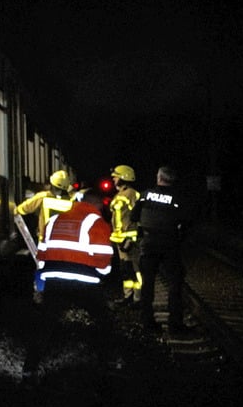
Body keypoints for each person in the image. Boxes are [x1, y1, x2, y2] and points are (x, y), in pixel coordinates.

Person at [22, 189, 116, 384]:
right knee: (104, 320)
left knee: (46, 324)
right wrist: (103, 275)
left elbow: (42, 253)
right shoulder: (96, 222)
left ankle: (29, 369)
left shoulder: (55, 220)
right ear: (97, 205)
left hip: (55, 280)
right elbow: (103, 258)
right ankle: (108, 362)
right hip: (85, 282)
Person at [132, 165, 194, 334]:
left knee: (148, 283)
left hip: (149, 242)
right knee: (175, 282)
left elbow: (133, 216)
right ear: (172, 180)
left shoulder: (145, 195)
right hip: (169, 244)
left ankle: (147, 322)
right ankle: (175, 324)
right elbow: (187, 221)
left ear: (158, 178)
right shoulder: (177, 198)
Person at [15, 169, 74, 302]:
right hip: (65, 241)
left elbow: (22, 209)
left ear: (51, 183)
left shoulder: (43, 197)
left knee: (42, 267)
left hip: (46, 240)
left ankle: (40, 294)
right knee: (61, 267)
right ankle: (62, 294)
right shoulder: (71, 201)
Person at [109, 164, 141, 307]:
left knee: (136, 270)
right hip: (120, 240)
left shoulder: (132, 194)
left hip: (130, 240)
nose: (113, 179)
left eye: (116, 176)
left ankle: (138, 298)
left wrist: (131, 239)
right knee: (126, 270)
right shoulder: (120, 195)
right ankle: (129, 295)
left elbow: (137, 217)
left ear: (123, 177)